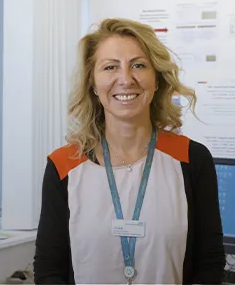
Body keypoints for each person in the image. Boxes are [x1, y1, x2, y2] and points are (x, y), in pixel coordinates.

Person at [33, 18, 226, 284]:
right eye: (110, 67)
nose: (125, 79)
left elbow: (210, 263)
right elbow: (49, 270)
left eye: (138, 65)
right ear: (93, 83)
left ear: (156, 79)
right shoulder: (63, 165)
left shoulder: (192, 160)